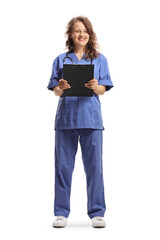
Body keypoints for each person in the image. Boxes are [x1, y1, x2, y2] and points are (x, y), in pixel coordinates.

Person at [47, 16, 113, 228]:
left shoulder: (99, 59)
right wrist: (61, 87)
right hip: (66, 120)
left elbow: (103, 89)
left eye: (84, 30)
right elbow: (56, 91)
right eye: (76, 31)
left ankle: (97, 212)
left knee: (95, 168)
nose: (81, 34)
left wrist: (95, 86)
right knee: (62, 167)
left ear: (90, 34)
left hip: (91, 120)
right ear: (71, 35)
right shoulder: (61, 60)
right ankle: (61, 212)